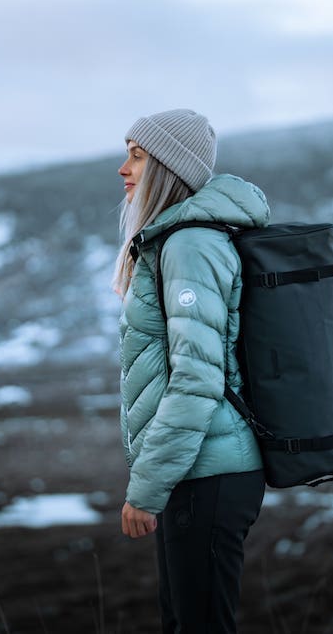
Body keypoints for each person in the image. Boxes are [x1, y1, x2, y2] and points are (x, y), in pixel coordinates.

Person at [113, 109, 270, 632]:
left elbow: (196, 379)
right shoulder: (178, 241)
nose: (122, 168)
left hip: (209, 474)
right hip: (200, 469)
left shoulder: (189, 245)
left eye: (137, 155)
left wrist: (147, 487)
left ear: (166, 168)